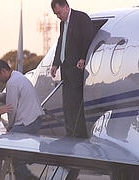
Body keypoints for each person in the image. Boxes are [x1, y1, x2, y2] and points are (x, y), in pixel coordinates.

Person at [0, 59, 44, 180]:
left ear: (4, 71)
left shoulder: (12, 83)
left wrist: (10, 126)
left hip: (27, 122)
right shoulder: (19, 77)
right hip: (33, 119)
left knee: (13, 153)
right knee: (20, 155)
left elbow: (11, 108)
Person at [50, 0, 95, 138]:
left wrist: (83, 57)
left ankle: (79, 131)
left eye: (59, 12)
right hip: (66, 68)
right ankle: (70, 130)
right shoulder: (63, 23)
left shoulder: (81, 18)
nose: (58, 16)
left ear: (66, 7)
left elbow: (88, 38)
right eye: (56, 14)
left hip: (76, 67)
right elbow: (61, 43)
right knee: (67, 102)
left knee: (75, 100)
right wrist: (55, 63)